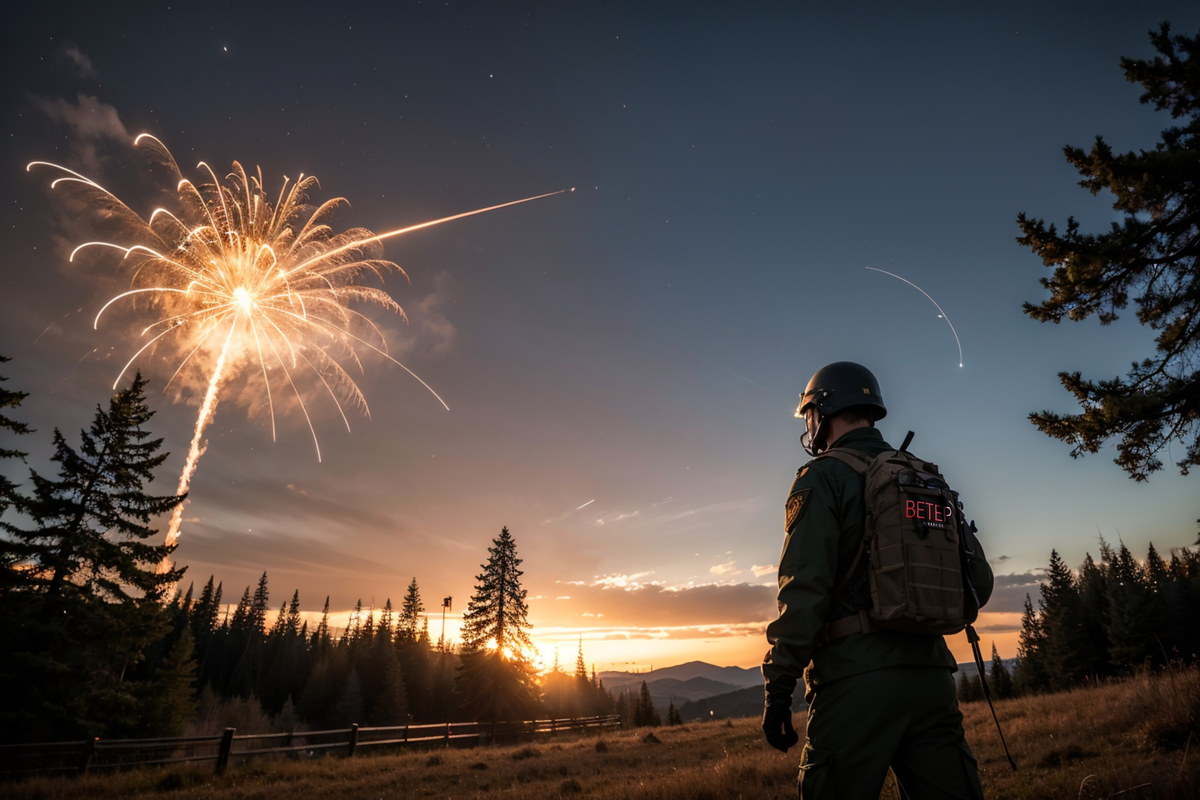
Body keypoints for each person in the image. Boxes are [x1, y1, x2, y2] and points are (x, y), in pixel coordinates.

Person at [761, 361, 993, 799]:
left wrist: (779, 688)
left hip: (855, 680)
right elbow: (978, 583)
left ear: (823, 412)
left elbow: (803, 590)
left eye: (810, 414)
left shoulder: (822, 477)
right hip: (932, 676)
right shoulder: (924, 477)